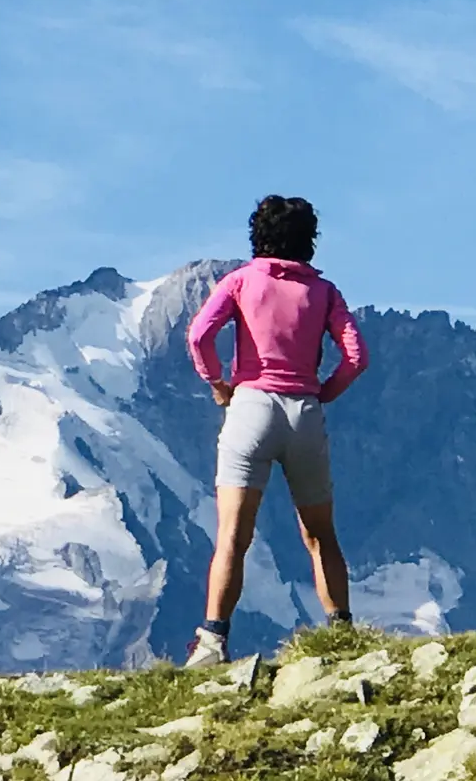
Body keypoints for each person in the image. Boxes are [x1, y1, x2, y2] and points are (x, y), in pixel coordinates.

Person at [182, 195, 369, 667]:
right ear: (309, 240)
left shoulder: (242, 281)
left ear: (257, 236)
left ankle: (212, 641)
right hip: (303, 409)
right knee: (321, 534)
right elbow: (356, 357)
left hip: (251, 407)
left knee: (233, 536)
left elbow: (199, 335)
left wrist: (218, 383)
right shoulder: (325, 293)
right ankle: (342, 635)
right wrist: (324, 392)